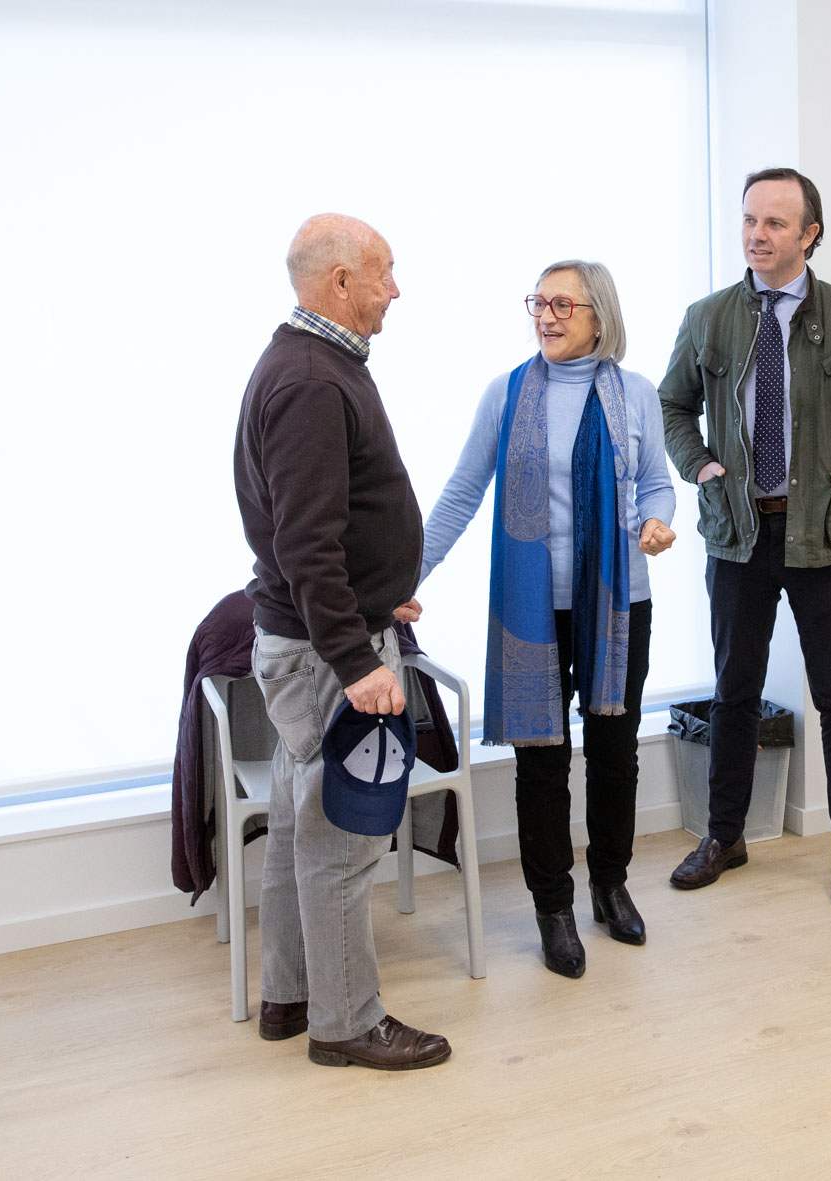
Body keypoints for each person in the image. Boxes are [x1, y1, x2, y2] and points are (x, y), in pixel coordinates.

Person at [659, 167, 831, 908]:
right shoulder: (708, 317)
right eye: (749, 220)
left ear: (810, 234)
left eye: (775, 223)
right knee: (734, 691)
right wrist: (700, 467)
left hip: (823, 534)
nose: (757, 235)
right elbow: (672, 405)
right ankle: (724, 835)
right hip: (738, 534)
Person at [232, 213, 448, 1070]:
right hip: (331, 656)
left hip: (320, 636)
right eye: (384, 272)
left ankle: (290, 997)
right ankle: (347, 1021)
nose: (397, 289)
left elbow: (326, 527)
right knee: (343, 844)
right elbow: (306, 543)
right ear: (341, 282)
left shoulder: (309, 364)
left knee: (298, 829)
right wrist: (357, 659)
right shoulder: (313, 382)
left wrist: (381, 592)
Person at [419, 260, 676, 979]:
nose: (546, 315)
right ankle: (553, 908)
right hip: (533, 608)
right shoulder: (506, 394)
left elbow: (657, 481)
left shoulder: (635, 394)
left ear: (600, 316)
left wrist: (656, 520)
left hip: (618, 602)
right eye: (539, 302)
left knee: (615, 750)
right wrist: (406, 578)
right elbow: (462, 492)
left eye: (564, 304)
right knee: (541, 758)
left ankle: (610, 884)